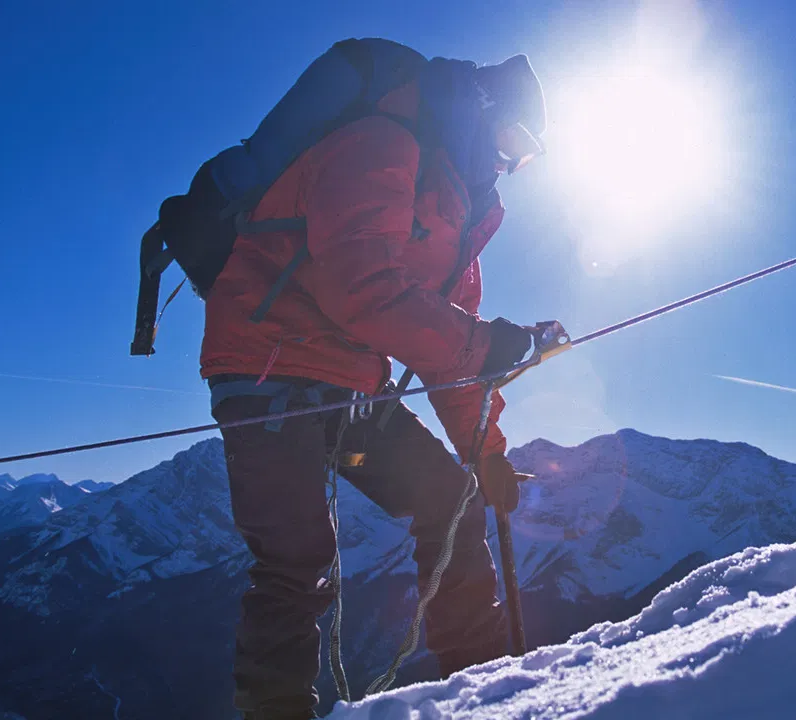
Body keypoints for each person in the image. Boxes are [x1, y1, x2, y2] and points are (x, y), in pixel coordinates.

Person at [199, 46, 549, 720]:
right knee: (296, 558)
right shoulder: (380, 142)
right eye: (514, 141)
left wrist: (487, 453)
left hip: (352, 381)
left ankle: (477, 697)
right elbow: (360, 286)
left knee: (450, 499)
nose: (510, 163)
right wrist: (487, 346)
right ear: (483, 112)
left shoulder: (456, 211)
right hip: (268, 365)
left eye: (524, 156)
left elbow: (451, 345)